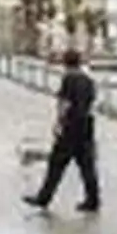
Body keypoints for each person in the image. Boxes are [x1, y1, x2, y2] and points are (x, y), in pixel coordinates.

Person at [26, 50, 100, 212]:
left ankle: (43, 198)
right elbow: (92, 103)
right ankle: (93, 200)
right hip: (86, 125)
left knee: (56, 163)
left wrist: (59, 124)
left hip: (71, 126)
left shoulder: (68, 79)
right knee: (87, 165)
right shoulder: (88, 80)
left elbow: (64, 103)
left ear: (65, 63)